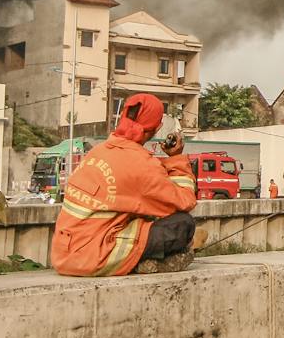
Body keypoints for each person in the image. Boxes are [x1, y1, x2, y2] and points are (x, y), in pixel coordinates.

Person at [52, 93, 198, 276]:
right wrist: (176, 159)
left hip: (63, 254)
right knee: (183, 224)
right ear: (157, 128)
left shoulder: (98, 151)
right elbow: (185, 201)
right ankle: (136, 263)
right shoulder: (142, 164)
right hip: (94, 257)